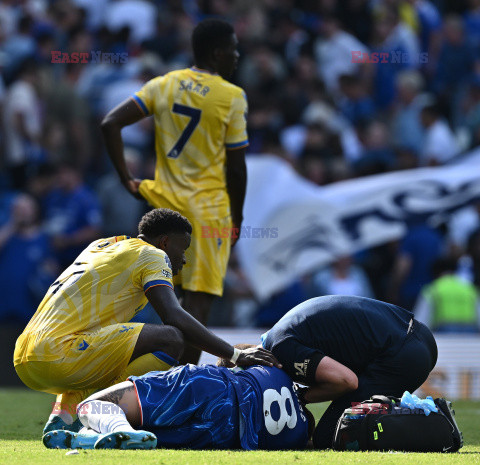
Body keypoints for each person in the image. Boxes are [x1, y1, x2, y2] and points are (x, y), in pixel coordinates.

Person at [14, 208, 278, 436]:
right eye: (182, 249)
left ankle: (64, 417)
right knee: (171, 338)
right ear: (164, 242)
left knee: (118, 346)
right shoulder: (153, 255)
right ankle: (101, 410)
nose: (184, 259)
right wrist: (234, 354)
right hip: (60, 354)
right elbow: (173, 316)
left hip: (25, 354)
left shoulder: (102, 245)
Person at [101, 18, 248, 364]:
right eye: (233, 48)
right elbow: (237, 167)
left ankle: (124, 372)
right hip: (207, 212)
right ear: (217, 53)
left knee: (158, 294)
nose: (237, 55)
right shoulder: (231, 97)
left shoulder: (163, 85)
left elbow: (110, 123)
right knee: (197, 302)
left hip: (161, 205)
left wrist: (127, 179)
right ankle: (181, 390)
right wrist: (236, 218)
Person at [259, 295, 438, 449]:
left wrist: (300, 397)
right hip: (420, 336)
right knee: (355, 419)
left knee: (327, 436)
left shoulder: (281, 348)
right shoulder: (282, 330)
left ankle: (432, 428)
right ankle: (428, 423)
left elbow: (346, 381)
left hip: (403, 355)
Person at [43, 364, 311, 451]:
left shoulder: (279, 373)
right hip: (228, 433)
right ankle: (85, 441)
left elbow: (233, 355)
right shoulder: (297, 434)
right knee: (151, 433)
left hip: (211, 386)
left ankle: (117, 429)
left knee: (93, 405)